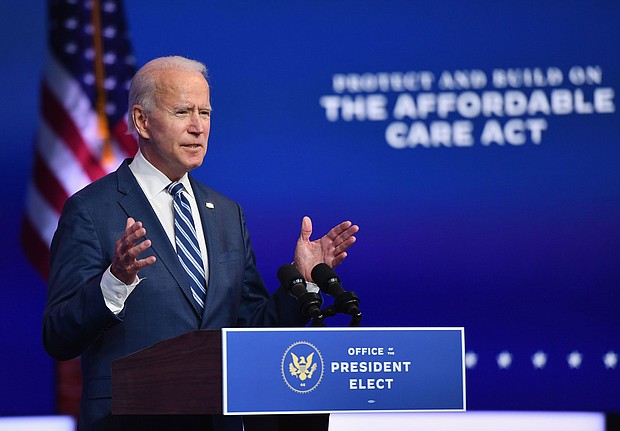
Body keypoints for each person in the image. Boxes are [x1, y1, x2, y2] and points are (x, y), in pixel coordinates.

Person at [42, 56, 359, 431]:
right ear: (142, 121)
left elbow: (249, 327)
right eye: (182, 112)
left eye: (205, 112)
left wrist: (302, 283)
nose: (198, 127)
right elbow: (58, 335)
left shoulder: (227, 213)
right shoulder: (91, 210)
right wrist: (114, 281)